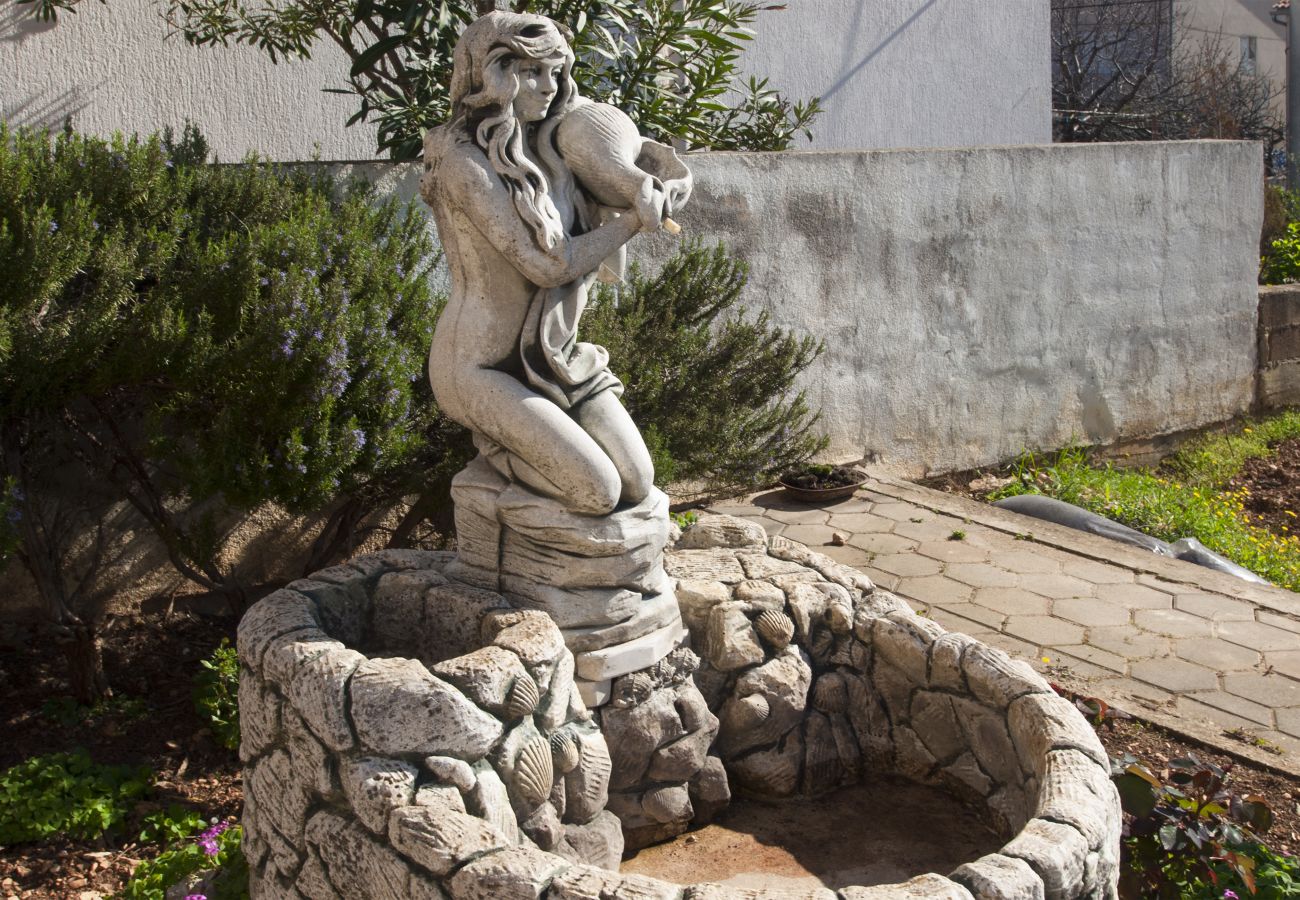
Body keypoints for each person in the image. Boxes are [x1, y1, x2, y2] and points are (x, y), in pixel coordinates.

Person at [421, 10, 668, 517]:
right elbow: (546, 266)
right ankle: (491, 487)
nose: (549, 87)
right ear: (492, 75)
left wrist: (648, 182)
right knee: (598, 492)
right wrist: (633, 222)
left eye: (556, 73)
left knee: (638, 483)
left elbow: (620, 168)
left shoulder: (551, 148)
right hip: (479, 368)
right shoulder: (464, 163)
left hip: (555, 358)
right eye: (532, 72)